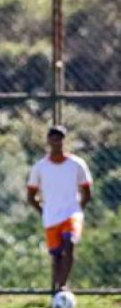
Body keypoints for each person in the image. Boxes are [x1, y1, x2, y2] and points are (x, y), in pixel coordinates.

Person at [27, 125, 93, 295]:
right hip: (51, 215)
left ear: (65, 140)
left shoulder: (76, 164)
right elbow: (31, 195)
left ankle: (63, 286)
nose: (57, 142)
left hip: (72, 212)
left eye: (60, 138)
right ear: (48, 141)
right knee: (56, 255)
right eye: (54, 138)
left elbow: (87, 190)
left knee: (69, 243)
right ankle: (57, 289)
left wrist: (79, 209)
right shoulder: (40, 167)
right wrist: (42, 210)